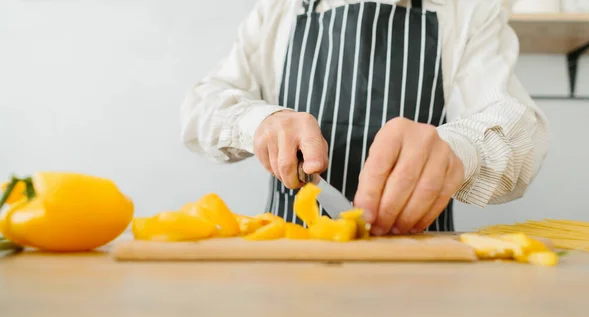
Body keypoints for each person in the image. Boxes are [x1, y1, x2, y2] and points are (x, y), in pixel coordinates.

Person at [180, 0, 549, 235]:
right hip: (287, 263)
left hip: (418, 270)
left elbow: (520, 132)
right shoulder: (278, 9)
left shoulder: (470, 11)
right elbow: (202, 107)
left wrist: (458, 151)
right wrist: (259, 122)